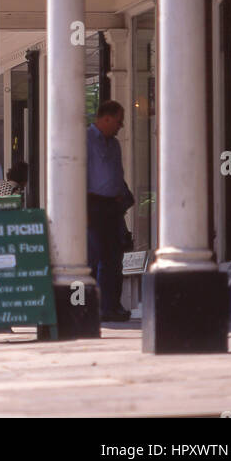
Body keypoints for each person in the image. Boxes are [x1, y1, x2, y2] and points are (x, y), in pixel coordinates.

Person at [86, 100, 134, 322]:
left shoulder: (114, 144)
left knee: (115, 258)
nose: (120, 125)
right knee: (98, 257)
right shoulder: (86, 140)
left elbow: (116, 173)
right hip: (93, 204)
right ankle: (99, 307)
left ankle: (113, 304)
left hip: (113, 206)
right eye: (118, 120)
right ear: (105, 118)